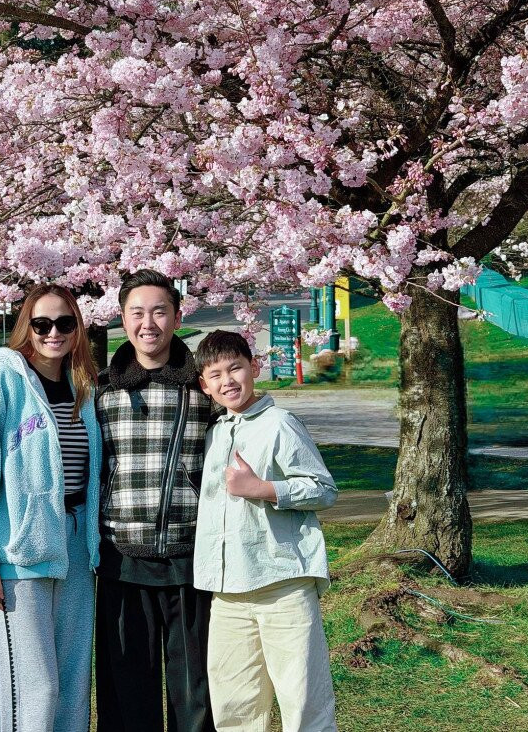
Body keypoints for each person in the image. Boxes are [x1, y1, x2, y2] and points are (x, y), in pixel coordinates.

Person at [0, 283, 101, 732]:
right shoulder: (3, 380)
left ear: (77, 328)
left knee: (72, 683)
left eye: (64, 323)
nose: (53, 333)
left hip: (77, 550)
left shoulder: (84, 387)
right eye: (42, 324)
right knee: (35, 688)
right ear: (27, 328)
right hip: (19, 555)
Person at [193, 329, 339, 732]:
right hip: (227, 591)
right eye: (216, 375)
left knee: (302, 700)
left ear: (254, 367)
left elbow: (324, 489)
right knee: (234, 705)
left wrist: (263, 489)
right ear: (205, 386)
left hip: (282, 585)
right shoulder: (214, 432)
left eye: (235, 368)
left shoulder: (280, 424)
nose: (228, 381)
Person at [95, 268, 215, 732]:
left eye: (160, 312)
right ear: (122, 319)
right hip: (121, 560)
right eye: (137, 313)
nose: (149, 324)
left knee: (197, 693)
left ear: (178, 317)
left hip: (191, 559)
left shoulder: (204, 388)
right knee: (127, 695)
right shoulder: (100, 390)